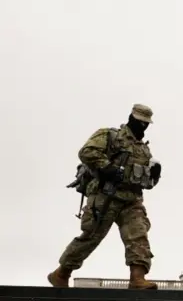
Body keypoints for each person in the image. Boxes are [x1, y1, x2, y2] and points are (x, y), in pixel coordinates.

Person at [47, 104, 162, 289]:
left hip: (132, 199)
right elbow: (87, 152)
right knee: (92, 236)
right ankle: (61, 273)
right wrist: (108, 168)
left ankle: (137, 279)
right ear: (131, 118)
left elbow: (144, 181)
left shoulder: (144, 150)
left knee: (138, 236)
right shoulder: (110, 135)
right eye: (139, 121)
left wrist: (154, 176)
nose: (142, 126)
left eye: (145, 123)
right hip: (106, 194)